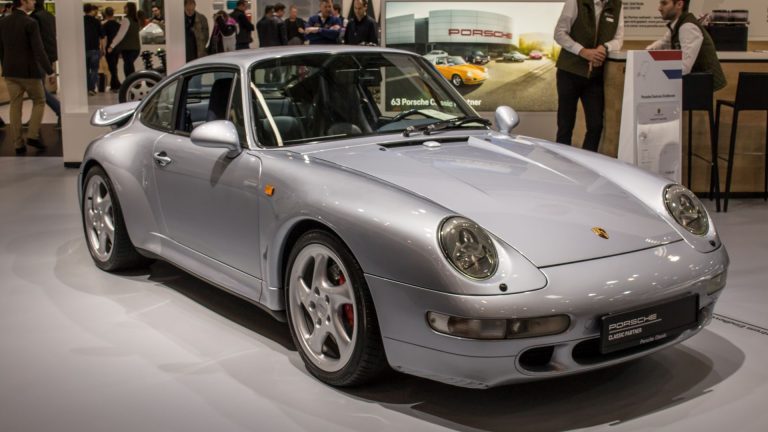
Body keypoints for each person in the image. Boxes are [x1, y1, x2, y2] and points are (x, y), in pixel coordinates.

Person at [554, 0, 624, 152]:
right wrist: (583, 51)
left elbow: (618, 39)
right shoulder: (575, 2)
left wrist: (605, 48)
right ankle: (560, 165)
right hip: (569, 72)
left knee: (596, 125)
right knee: (565, 126)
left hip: (594, 77)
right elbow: (559, 33)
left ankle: (586, 165)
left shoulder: (616, 5)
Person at [0, 0, 55, 154]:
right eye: (31, 0)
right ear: (23, 2)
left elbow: (2, 49)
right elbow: (39, 50)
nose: (34, 2)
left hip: (10, 71)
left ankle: (18, 144)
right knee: (39, 100)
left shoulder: (3, 22)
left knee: (15, 105)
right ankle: (32, 135)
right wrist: (50, 71)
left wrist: (5, 67)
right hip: (29, 71)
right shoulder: (30, 23)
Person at [646, 0, 726, 91]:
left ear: (679, 4)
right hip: (694, 83)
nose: (659, 8)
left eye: (664, 3)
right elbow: (664, 43)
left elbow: (684, 67)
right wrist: (642, 55)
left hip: (701, 87)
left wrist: (657, 73)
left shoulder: (687, 27)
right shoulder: (678, 23)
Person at [31, 0, 60, 126]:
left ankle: (59, 110)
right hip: (49, 55)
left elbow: (35, 41)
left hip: (39, 57)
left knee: (39, 91)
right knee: (38, 91)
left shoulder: (33, 18)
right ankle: (34, 119)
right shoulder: (50, 16)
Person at [107, 3, 141, 80]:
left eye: (125, 8)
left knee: (128, 68)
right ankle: (133, 84)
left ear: (129, 9)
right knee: (130, 66)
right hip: (136, 48)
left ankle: (130, 84)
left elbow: (120, 35)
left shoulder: (126, 20)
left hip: (127, 48)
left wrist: (112, 45)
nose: (124, 9)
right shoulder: (136, 20)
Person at [83, 4, 105, 96]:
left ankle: (87, 88)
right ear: (91, 10)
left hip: (84, 48)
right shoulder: (96, 21)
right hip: (94, 48)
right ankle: (92, 89)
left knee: (86, 70)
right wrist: (102, 48)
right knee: (94, 69)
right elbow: (102, 36)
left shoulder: (80, 21)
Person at [102, 6, 121, 92]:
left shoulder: (105, 25)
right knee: (114, 66)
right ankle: (115, 84)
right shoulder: (118, 25)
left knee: (112, 67)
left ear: (105, 14)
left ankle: (116, 85)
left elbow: (104, 38)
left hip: (109, 48)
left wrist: (103, 49)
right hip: (116, 48)